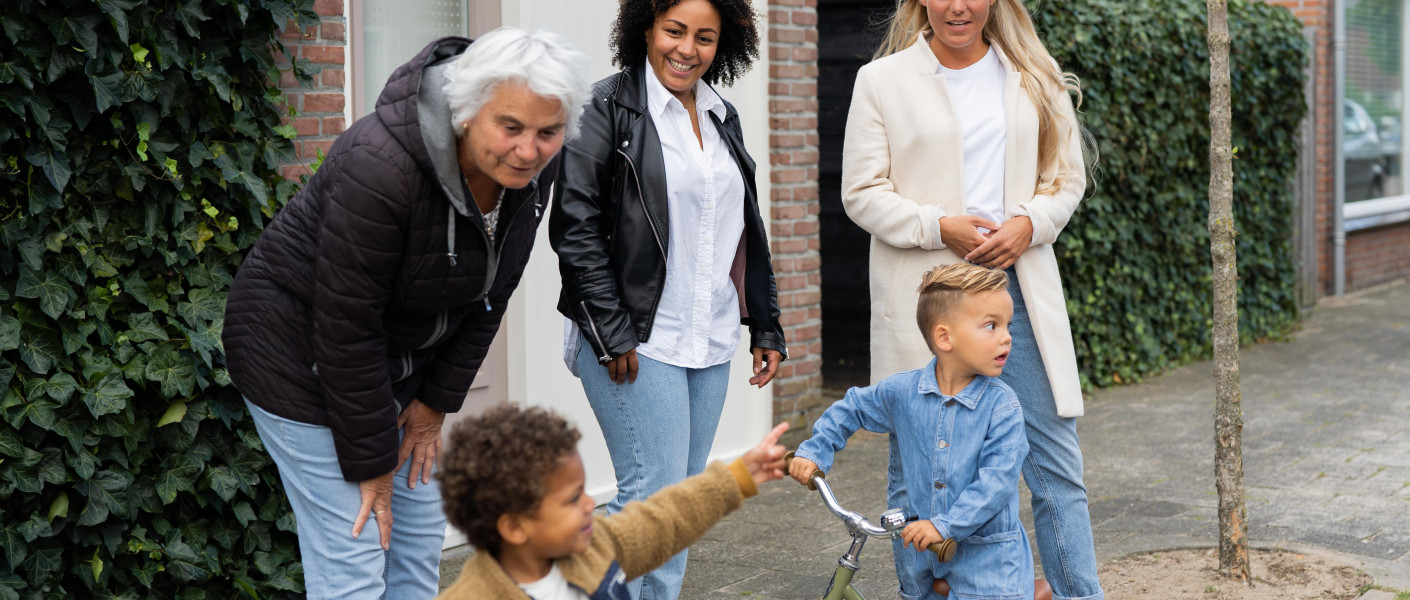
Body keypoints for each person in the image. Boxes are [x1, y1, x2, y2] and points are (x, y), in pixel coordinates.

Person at [221, 29, 592, 599]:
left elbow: (492, 296)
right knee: (355, 554)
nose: (529, 151)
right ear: (468, 114)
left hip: (394, 361)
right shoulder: (380, 166)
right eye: (510, 127)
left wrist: (434, 405)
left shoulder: (528, 176)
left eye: (548, 133)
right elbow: (347, 324)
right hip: (295, 357)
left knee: (416, 544)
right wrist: (372, 462)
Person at [839, 1, 1101, 599]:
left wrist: (1029, 224)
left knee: (1056, 469)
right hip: (929, 306)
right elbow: (861, 193)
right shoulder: (881, 81)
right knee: (919, 476)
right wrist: (940, 226)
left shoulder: (1033, 74)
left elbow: (1067, 179)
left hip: (1016, 299)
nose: (958, 5)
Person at [549, 0, 784, 597]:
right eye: (674, 30)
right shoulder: (604, 108)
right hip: (634, 338)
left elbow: (741, 227)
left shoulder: (721, 113)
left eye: (704, 37)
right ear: (645, 29)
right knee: (654, 503)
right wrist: (609, 330)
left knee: (677, 508)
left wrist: (765, 325)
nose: (687, 48)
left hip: (707, 336)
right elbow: (574, 226)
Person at [790, 265, 1040, 600]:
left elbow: (997, 481)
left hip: (989, 565)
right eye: (992, 325)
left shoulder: (1002, 407)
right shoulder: (903, 393)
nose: (1007, 336)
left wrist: (944, 525)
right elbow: (853, 407)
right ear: (944, 337)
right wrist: (814, 451)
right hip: (919, 559)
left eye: (1007, 325)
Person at [434, 405, 790, 599]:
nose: (590, 504)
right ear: (514, 526)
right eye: (573, 499)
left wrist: (738, 476)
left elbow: (663, 521)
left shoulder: (596, 548)